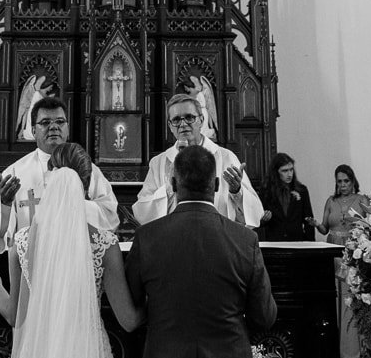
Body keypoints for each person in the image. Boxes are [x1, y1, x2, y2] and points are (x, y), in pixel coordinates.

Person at [0, 142, 139, 358]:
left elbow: (14, 317)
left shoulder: (22, 242)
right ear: (87, 184)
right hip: (86, 348)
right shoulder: (105, 244)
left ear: (49, 181)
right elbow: (129, 321)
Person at [126, 144, 278, 358]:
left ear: (173, 184)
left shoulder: (146, 238)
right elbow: (264, 317)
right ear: (216, 185)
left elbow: (132, 306)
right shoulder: (245, 240)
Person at [0, 96, 119, 248]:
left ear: (67, 128)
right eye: (45, 122)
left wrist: (77, 204)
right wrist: (5, 205)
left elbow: (110, 218)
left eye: (60, 122)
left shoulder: (89, 170)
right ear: (33, 131)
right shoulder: (15, 173)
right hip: (32, 256)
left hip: (76, 251)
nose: (54, 127)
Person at [134, 93, 262, 226]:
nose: (183, 124)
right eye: (176, 120)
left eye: (189, 117)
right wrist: (169, 187)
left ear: (201, 120)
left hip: (215, 233)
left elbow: (256, 213)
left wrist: (236, 191)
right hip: (175, 235)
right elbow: (143, 213)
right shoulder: (159, 162)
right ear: (170, 126)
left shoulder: (226, 157)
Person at [318, 164, 371, 358]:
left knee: (352, 295)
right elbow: (324, 227)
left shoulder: (361, 199)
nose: (342, 185)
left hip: (353, 252)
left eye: (346, 181)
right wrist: (315, 224)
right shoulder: (331, 201)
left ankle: (355, 350)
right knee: (336, 295)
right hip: (333, 252)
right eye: (339, 181)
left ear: (353, 181)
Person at [259, 152, 315, 241]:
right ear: (276, 172)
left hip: (297, 241)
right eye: (285, 171)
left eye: (291, 170)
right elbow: (258, 221)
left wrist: (310, 243)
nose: (290, 174)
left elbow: (309, 220)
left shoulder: (302, 190)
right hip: (275, 241)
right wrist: (264, 220)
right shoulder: (266, 191)